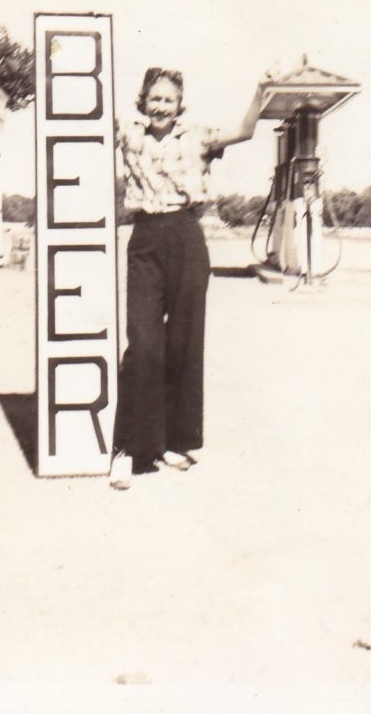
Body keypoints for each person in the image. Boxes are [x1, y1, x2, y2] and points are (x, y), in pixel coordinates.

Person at [109, 65, 271, 489]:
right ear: (142, 102)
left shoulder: (198, 136)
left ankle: (168, 443)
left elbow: (244, 131)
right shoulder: (127, 134)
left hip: (186, 236)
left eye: (169, 99)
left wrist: (261, 89)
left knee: (183, 344)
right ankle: (126, 449)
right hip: (145, 238)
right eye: (154, 98)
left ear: (180, 105)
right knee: (143, 345)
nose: (161, 106)